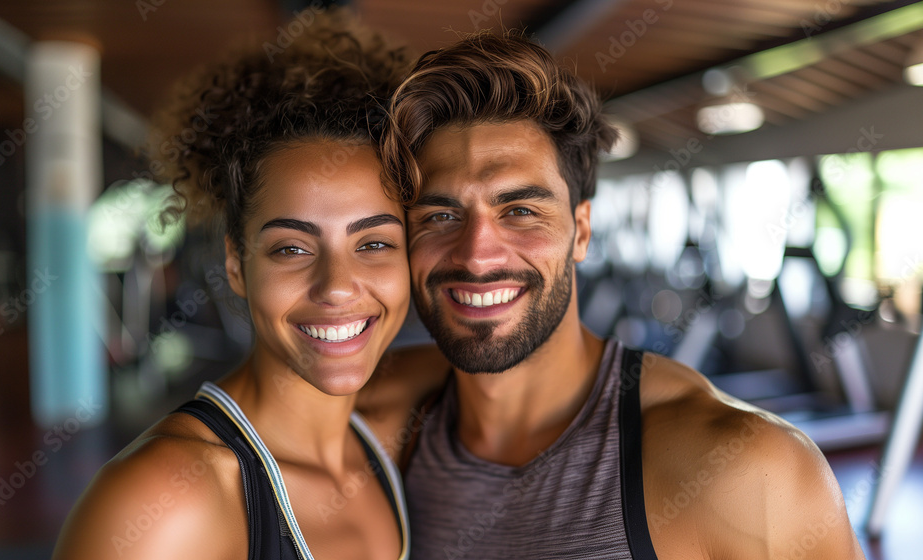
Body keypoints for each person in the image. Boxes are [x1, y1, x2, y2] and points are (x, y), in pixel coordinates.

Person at [369, 30, 867, 559]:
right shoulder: (382, 426)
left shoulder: (749, 473)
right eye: (441, 216)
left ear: (581, 231)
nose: (475, 255)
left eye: (519, 211)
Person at [52, 10, 416, 560]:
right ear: (236, 265)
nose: (338, 287)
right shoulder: (167, 497)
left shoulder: (391, 439)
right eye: (292, 248)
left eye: (374, 244)